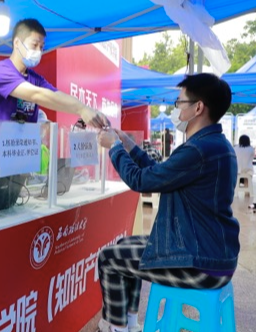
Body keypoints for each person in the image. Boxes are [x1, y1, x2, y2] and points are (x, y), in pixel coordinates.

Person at [96, 73, 239, 332]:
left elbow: (141, 181)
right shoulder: (216, 145)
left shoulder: (197, 150)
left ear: (198, 108)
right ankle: (130, 324)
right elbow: (161, 175)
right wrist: (129, 145)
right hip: (214, 253)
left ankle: (115, 328)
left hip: (199, 262)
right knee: (124, 245)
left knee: (108, 258)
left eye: (179, 102)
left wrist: (114, 149)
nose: (177, 108)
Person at [0, 18, 109, 157]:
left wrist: (91, 111)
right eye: (34, 45)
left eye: (42, 47)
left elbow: (56, 96)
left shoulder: (35, 78)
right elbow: (37, 95)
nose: (39, 51)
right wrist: (81, 108)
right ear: (17, 43)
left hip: (21, 154)